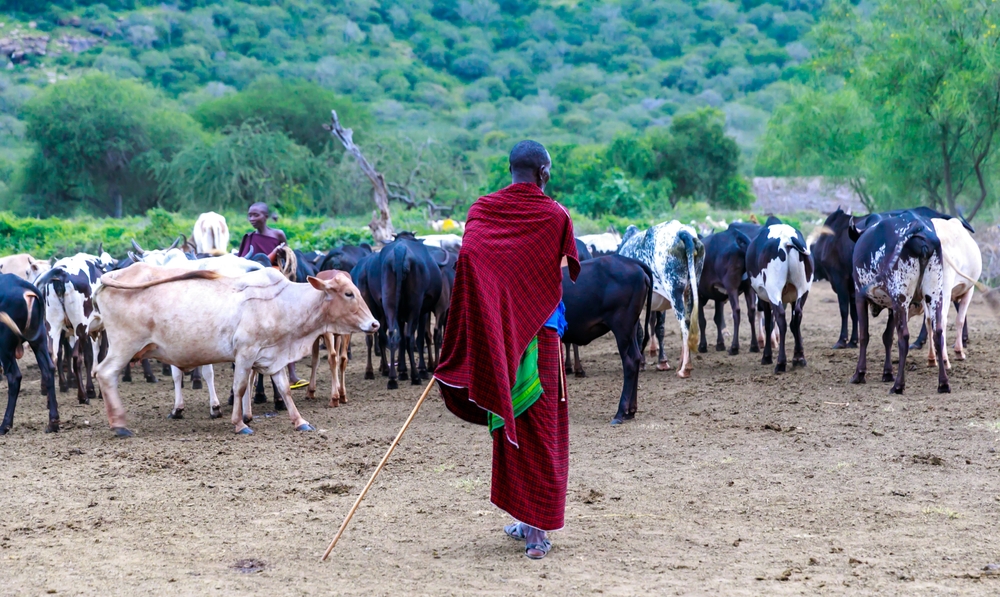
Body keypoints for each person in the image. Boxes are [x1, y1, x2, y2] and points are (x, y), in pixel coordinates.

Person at [434, 140, 580, 560]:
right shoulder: (555, 215)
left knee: (519, 420)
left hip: (501, 338)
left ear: (511, 169)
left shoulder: (482, 209)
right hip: (538, 337)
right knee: (539, 426)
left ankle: (532, 522)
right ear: (544, 172)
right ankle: (532, 526)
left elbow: (472, 263)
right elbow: (554, 268)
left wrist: (487, 319)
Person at [236, 202, 306, 389]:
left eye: (256, 215)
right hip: (256, 289)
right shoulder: (248, 238)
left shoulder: (278, 234)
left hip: (277, 287)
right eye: (249, 215)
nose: (251, 219)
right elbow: (244, 263)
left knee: (286, 329)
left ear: (265, 216)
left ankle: (292, 375)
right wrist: (273, 253)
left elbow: (287, 260)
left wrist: (279, 255)